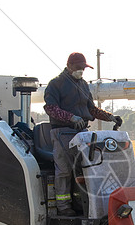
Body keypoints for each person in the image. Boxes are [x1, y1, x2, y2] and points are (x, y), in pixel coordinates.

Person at [44, 52, 122, 216]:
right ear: (69, 66)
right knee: (64, 170)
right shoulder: (56, 84)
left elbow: (91, 109)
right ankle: (63, 206)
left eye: (83, 68)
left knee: (85, 168)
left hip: (82, 132)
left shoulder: (83, 85)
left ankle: (83, 204)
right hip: (62, 132)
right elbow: (51, 108)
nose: (81, 71)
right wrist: (70, 117)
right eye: (78, 68)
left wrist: (110, 117)